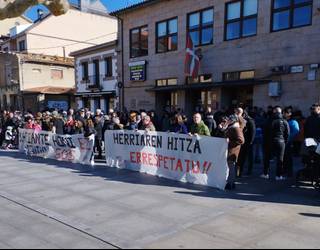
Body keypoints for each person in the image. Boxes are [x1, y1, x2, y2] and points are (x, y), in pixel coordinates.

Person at [262, 107, 290, 181]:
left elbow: (265, 133)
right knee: (280, 159)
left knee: (267, 158)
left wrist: (266, 142)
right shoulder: (284, 121)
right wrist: (285, 142)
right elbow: (287, 133)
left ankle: (265, 174)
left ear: (274, 112)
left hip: (270, 142)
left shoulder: (269, 121)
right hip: (281, 141)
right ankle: (278, 175)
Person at [225, 115, 245, 190]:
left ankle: (230, 183)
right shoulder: (232, 127)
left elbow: (241, 140)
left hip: (233, 151)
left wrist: (230, 142)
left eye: (230, 120)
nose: (228, 120)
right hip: (230, 150)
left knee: (231, 167)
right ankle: (231, 183)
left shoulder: (236, 128)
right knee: (231, 167)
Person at [237, 111, 256, 177]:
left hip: (248, 142)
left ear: (244, 115)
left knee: (249, 157)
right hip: (243, 142)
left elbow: (253, 132)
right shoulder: (243, 120)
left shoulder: (250, 121)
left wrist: (251, 142)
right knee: (241, 158)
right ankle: (239, 172)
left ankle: (249, 170)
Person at [283, 107, 300, 177]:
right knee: (283, 158)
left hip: (289, 143)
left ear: (290, 114)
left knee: (288, 158)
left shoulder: (293, 122)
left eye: (285, 113)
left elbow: (296, 131)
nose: (284, 114)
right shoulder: (283, 120)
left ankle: (289, 172)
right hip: (283, 142)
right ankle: (284, 170)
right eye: (283, 112)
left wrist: (288, 138)